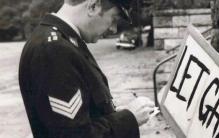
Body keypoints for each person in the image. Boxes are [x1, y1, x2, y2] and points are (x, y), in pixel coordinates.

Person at [18, 0, 155, 137]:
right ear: (93, 6)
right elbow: (74, 134)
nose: (113, 29)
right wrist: (129, 118)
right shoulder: (52, 50)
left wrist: (113, 114)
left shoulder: (64, 41)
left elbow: (80, 117)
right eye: (113, 18)